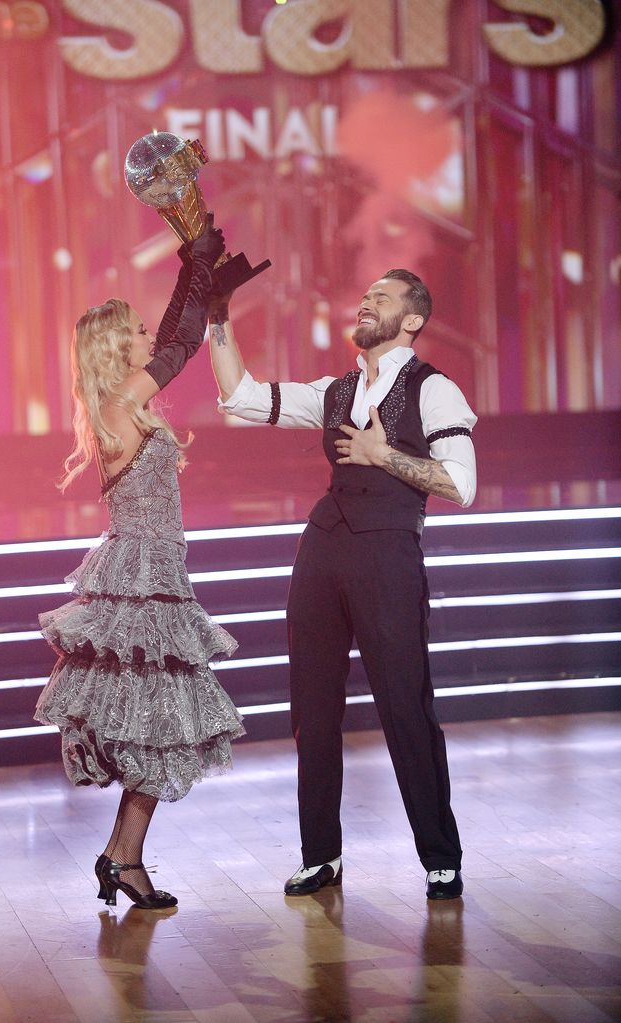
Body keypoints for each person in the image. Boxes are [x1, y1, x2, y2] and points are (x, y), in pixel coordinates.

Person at [208, 269, 476, 900]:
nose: (366, 301)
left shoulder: (434, 389)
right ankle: (320, 853)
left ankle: (440, 855)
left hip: (387, 555)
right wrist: (219, 317)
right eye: (366, 295)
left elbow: (461, 485)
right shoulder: (337, 390)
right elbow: (242, 396)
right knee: (314, 707)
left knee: (404, 707)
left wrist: (387, 457)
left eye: (382, 298)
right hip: (323, 550)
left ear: (412, 319)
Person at [35, 215, 244, 910]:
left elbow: (177, 336)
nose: (144, 336)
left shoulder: (126, 403)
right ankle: (123, 862)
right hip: (142, 584)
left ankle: (121, 859)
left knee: (162, 727)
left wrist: (200, 266)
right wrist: (198, 260)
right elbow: (182, 339)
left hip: (155, 578)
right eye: (132, 330)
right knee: (163, 726)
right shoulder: (123, 401)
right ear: (110, 349)